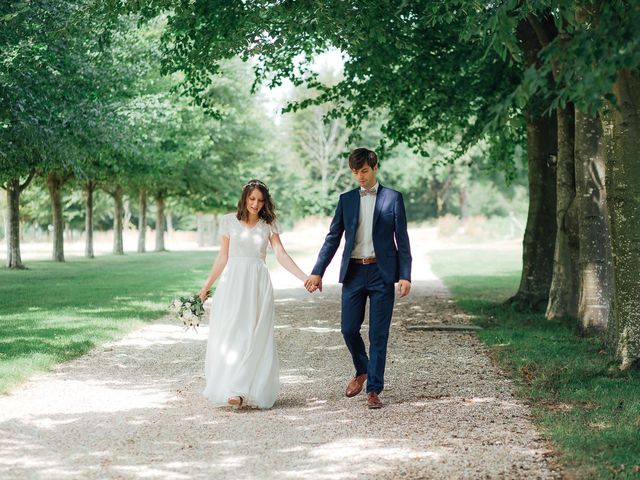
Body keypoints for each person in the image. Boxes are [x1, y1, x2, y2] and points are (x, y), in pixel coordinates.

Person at [305, 148, 412, 409]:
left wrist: (405, 275)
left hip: (382, 273)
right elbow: (333, 237)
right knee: (348, 329)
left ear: (375, 167)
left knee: (378, 334)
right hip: (353, 272)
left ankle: (374, 389)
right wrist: (318, 271)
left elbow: (403, 239)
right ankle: (362, 369)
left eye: (363, 171)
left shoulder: (393, 198)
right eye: (355, 172)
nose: (360, 177)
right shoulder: (346, 200)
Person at [198, 179, 308, 409]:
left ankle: (241, 388)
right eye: (252, 199)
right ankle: (231, 387)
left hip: (257, 283)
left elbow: (281, 254)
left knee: (254, 333)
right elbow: (222, 256)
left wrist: (304, 277)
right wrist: (205, 287)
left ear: (265, 202)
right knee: (231, 331)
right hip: (233, 282)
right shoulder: (229, 221)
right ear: (245, 199)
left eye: (260, 200)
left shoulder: (269, 224)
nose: (256, 204)